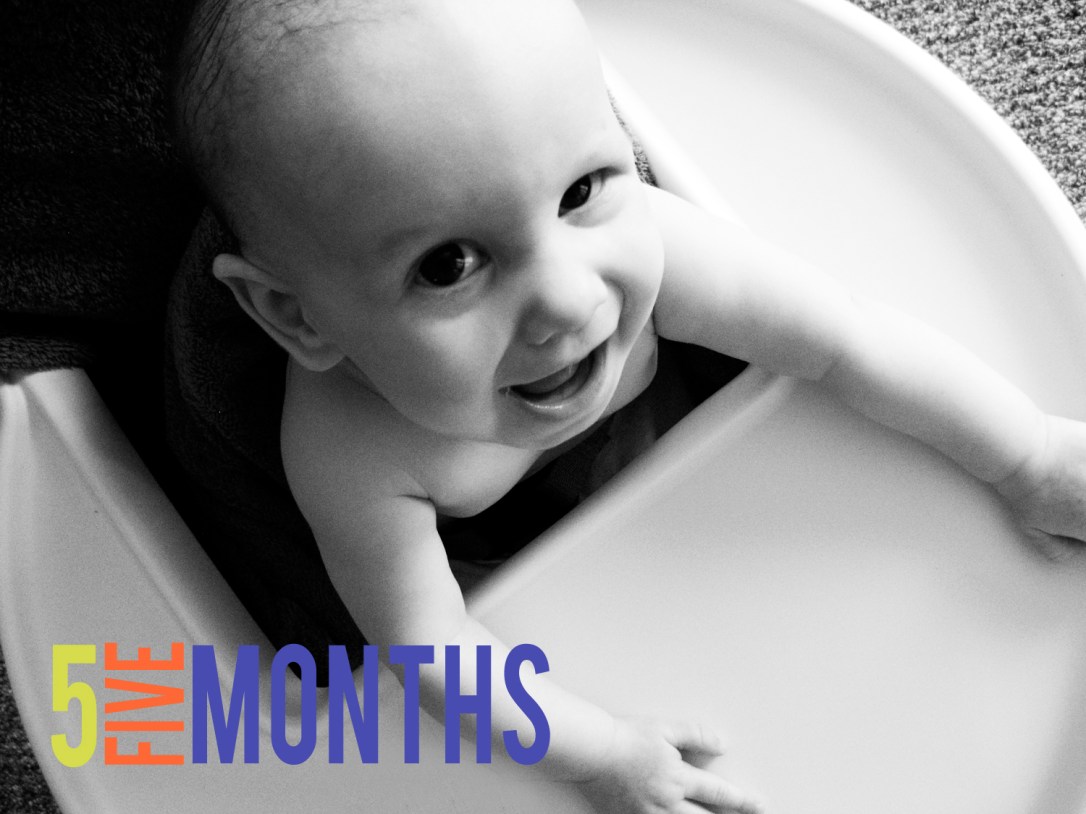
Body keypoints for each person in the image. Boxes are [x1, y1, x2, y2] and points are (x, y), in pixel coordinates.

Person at [172, 0, 1086, 809]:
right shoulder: (350, 455)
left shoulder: (658, 249)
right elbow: (430, 646)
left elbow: (848, 337)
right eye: (450, 264)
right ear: (298, 318)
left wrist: (1026, 455)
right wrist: (601, 755)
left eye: (579, 190)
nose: (570, 301)